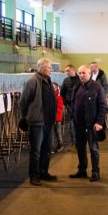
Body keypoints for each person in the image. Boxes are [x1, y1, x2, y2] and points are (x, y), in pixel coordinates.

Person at [19, 58, 57, 186]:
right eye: (49, 67)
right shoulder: (32, 82)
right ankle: (34, 176)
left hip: (49, 122)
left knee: (47, 149)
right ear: (41, 68)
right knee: (36, 151)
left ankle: (43, 172)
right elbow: (23, 102)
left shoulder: (48, 80)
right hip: (37, 123)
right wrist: (25, 117)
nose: (51, 70)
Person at [69, 65, 108, 182]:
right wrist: (73, 116)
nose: (81, 75)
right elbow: (73, 103)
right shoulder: (77, 87)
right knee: (80, 149)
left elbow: (103, 106)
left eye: (83, 73)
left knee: (93, 149)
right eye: (79, 73)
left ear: (89, 73)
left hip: (91, 126)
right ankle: (82, 170)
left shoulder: (97, 87)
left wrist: (99, 122)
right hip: (78, 125)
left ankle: (95, 172)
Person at [60, 64, 80, 146]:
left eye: (68, 70)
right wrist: (65, 103)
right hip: (70, 106)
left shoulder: (80, 79)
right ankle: (74, 141)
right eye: (66, 71)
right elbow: (62, 93)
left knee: (80, 123)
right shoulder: (66, 80)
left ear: (73, 70)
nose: (67, 72)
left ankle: (81, 140)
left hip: (79, 105)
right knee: (71, 123)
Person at [52, 82, 64, 153]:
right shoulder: (50, 97)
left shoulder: (59, 98)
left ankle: (60, 145)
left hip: (57, 119)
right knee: (52, 134)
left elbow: (59, 109)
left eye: (53, 87)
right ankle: (52, 147)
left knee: (57, 133)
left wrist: (55, 117)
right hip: (52, 118)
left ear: (56, 88)